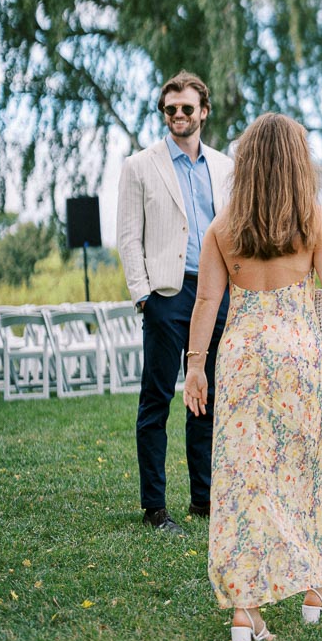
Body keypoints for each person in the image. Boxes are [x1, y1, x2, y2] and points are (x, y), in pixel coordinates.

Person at [183, 112, 322, 641]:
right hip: (301, 355)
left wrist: (194, 365)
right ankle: (312, 592)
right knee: (305, 468)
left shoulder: (223, 226)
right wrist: (309, 340)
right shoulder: (314, 220)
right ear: (299, 162)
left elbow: (208, 300)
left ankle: (245, 611)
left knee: (242, 477)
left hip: (239, 358)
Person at [117, 71, 232, 535]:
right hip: (166, 294)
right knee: (156, 400)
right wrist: (144, 297)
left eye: (186, 108)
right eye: (170, 109)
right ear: (164, 114)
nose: (178, 116)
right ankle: (155, 506)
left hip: (216, 293)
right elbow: (128, 236)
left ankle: (203, 500)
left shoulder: (225, 166)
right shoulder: (140, 165)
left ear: (203, 111)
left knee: (206, 399)